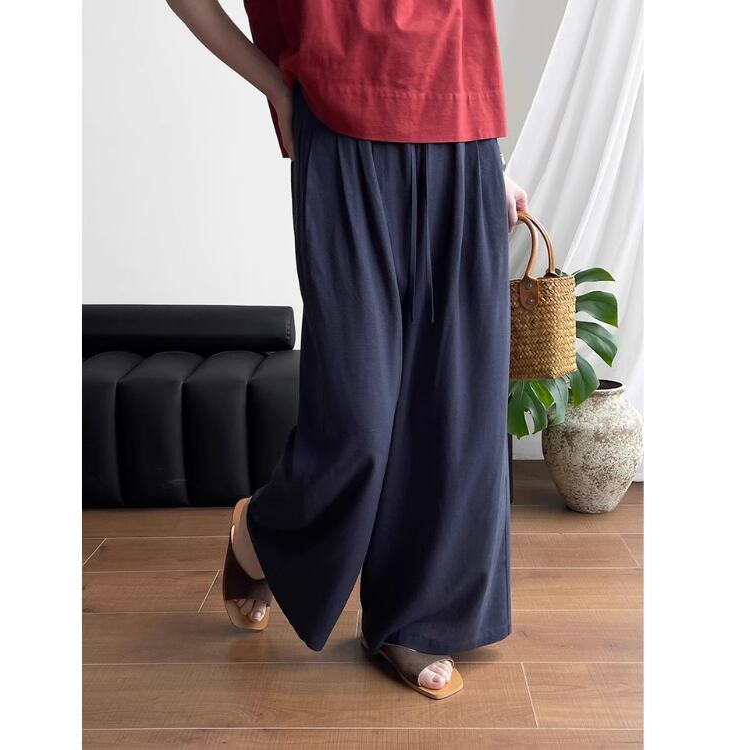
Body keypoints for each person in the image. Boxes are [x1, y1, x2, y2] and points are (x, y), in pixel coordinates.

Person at [165, 0, 528, 699]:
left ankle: (412, 619)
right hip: (338, 127)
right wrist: (274, 85)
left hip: (461, 132)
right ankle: (261, 532)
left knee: (453, 404)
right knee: (356, 412)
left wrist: (491, 159)